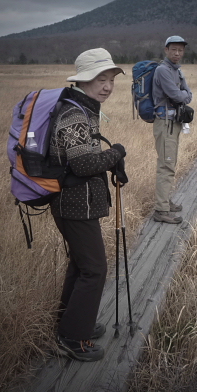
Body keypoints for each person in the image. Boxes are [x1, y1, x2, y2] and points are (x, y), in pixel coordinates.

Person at [49, 48, 126, 362]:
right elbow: (81, 166)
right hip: (73, 204)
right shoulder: (73, 114)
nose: (107, 86)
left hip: (77, 204)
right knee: (95, 270)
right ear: (83, 81)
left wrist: (109, 163)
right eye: (99, 79)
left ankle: (69, 325)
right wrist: (116, 153)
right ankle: (73, 338)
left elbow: (81, 160)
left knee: (81, 266)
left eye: (110, 79)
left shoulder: (83, 109)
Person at [152, 35, 193, 224]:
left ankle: (166, 201)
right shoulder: (162, 70)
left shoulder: (178, 70)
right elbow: (178, 95)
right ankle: (161, 210)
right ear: (166, 50)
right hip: (165, 123)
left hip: (173, 123)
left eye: (180, 50)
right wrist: (183, 95)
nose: (177, 53)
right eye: (174, 49)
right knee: (166, 165)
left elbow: (188, 95)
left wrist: (183, 95)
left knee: (170, 163)